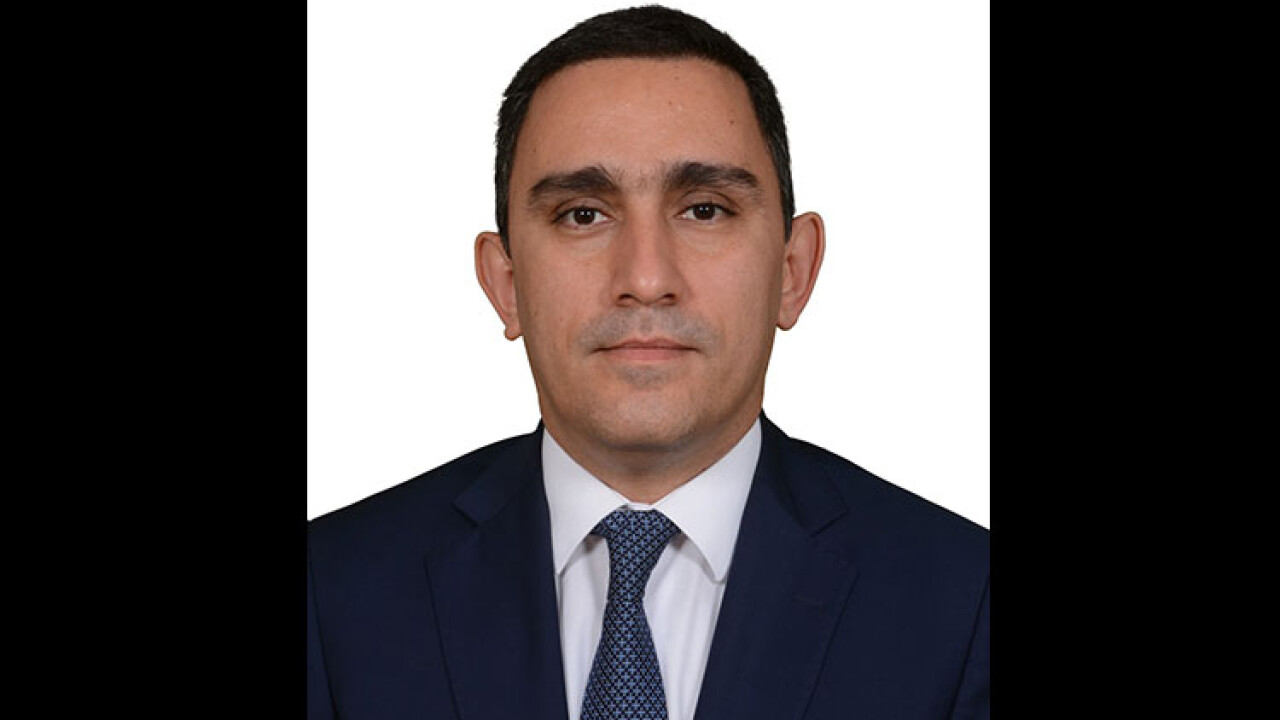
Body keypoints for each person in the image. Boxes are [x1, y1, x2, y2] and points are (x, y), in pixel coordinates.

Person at [307, 5, 988, 720]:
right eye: (583, 214)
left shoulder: (965, 602)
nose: (646, 277)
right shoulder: (331, 591)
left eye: (705, 210)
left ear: (793, 271)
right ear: (506, 284)